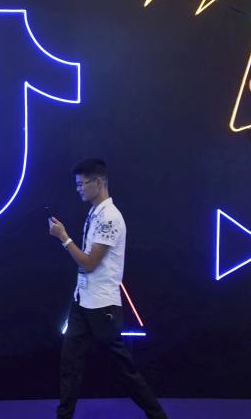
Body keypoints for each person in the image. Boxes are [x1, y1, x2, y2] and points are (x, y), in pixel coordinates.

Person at [48, 158, 167, 419]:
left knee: (124, 371)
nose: (78, 189)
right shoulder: (95, 212)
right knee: (70, 365)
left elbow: (89, 263)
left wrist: (63, 237)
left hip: (103, 308)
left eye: (82, 184)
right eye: (77, 184)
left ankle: (157, 415)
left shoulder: (111, 218)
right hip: (82, 301)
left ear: (98, 182)